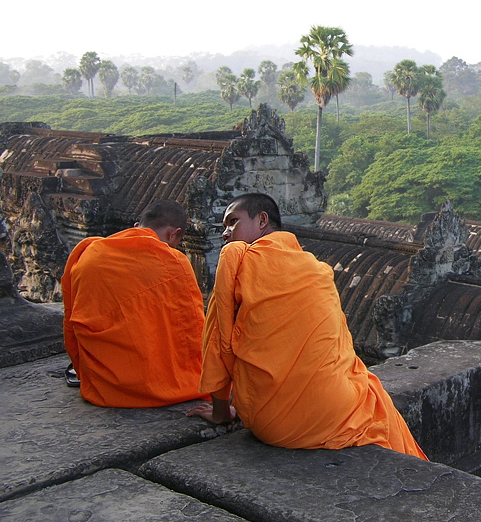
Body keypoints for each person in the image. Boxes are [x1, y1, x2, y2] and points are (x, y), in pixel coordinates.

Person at [187, 193, 426, 459]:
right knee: (372, 394)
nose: (226, 233)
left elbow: (219, 344)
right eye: (224, 227)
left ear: (262, 220)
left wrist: (221, 413)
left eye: (232, 222)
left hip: (269, 423)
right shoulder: (316, 268)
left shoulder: (236, 258)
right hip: (334, 411)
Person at [62, 199, 208, 407]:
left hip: (106, 383)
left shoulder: (89, 253)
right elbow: (192, 331)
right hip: (161, 380)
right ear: (173, 234)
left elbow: (71, 325)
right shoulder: (174, 261)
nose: (174, 248)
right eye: (176, 243)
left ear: (137, 227)